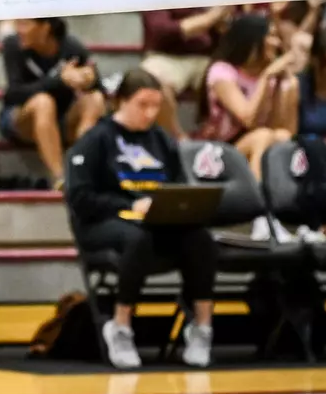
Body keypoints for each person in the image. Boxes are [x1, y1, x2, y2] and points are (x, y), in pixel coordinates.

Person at [65, 69, 218, 370]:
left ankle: (201, 327)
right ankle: (120, 326)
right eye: (142, 105)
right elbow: (81, 199)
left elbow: (178, 185)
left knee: (200, 238)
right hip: (103, 224)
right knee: (138, 237)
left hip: (154, 222)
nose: (150, 113)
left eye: (155, 106)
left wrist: (173, 206)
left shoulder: (161, 139)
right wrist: (133, 205)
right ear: (121, 101)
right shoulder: (96, 140)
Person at [139, 0, 235, 135]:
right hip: (166, 57)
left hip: (205, 59)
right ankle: (179, 142)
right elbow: (160, 31)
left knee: (232, 79)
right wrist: (212, 17)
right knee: (151, 80)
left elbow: (226, 34)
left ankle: (216, 138)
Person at [0, 16, 106, 189]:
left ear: (45, 28)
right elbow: (13, 94)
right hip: (19, 118)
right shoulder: (13, 45)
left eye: (24, 24)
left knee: (94, 99)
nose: (19, 29)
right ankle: (60, 179)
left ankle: (82, 167)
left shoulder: (71, 47)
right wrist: (59, 79)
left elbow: (99, 88)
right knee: (43, 102)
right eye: (17, 23)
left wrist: (87, 78)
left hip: (60, 119)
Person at [195, 13, 296, 182]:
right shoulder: (222, 71)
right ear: (253, 39)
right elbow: (248, 119)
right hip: (220, 150)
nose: (277, 43)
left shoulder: (269, 77)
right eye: (271, 36)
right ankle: (257, 199)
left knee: (282, 136)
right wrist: (266, 77)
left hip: (255, 143)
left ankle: (283, 198)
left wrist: (283, 84)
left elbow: (280, 128)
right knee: (262, 136)